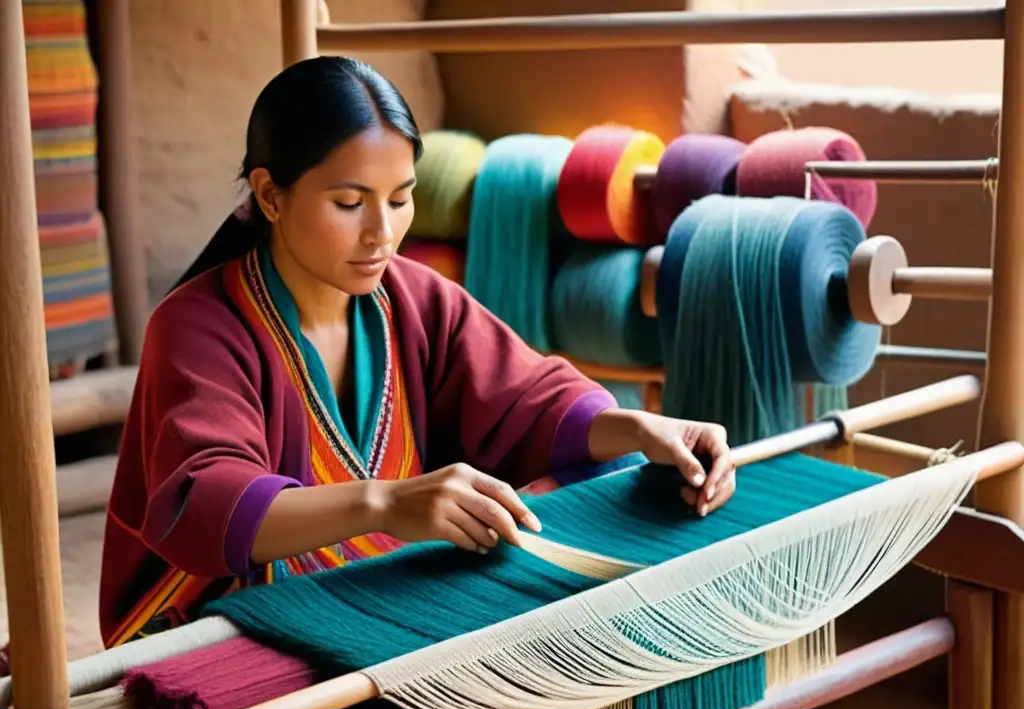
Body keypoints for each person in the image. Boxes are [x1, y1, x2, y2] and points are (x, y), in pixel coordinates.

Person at [98, 56, 737, 652]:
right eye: (349, 203)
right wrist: (387, 503)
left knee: (613, 474)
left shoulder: (414, 297)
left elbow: (527, 397)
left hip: (382, 581)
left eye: (401, 199)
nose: (382, 233)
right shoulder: (194, 327)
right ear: (269, 196)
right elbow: (205, 502)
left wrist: (644, 427)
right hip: (238, 615)